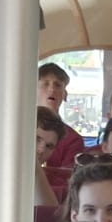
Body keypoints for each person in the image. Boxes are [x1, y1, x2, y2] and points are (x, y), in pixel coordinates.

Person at [38, 61, 87, 198]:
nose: (51, 89)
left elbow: (69, 183)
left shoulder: (73, 140)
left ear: (65, 94)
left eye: (58, 85)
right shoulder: (18, 131)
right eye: (45, 84)